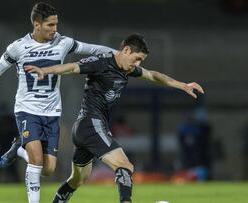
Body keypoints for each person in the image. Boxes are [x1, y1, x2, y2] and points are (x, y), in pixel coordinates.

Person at [0, 2, 115, 203]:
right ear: (37, 24)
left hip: (52, 112)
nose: (55, 29)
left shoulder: (63, 43)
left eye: (56, 24)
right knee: (37, 162)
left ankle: (18, 148)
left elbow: (92, 49)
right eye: (50, 25)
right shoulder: (18, 47)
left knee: (48, 170)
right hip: (27, 110)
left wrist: (117, 55)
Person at [26, 33, 205, 203]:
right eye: (137, 58)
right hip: (91, 124)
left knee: (77, 180)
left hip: (86, 129)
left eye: (141, 61)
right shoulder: (102, 62)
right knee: (125, 166)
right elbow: (73, 67)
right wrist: (45, 70)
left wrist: (182, 85)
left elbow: (152, 75)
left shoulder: (128, 69)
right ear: (126, 50)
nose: (137, 63)